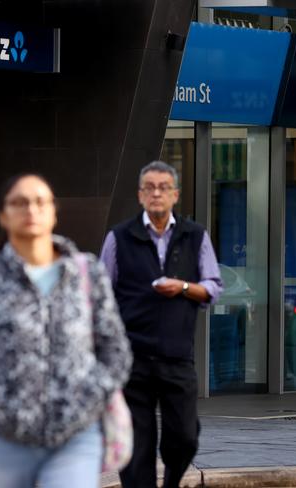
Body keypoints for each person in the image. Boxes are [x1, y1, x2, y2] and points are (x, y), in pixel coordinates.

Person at [0, 173, 132, 488]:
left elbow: (116, 350)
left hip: (75, 436)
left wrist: (89, 394)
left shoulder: (87, 274)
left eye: (41, 201)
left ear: (54, 212)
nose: (31, 209)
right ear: (3, 215)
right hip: (4, 440)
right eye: (19, 202)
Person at [100, 161, 223, 488]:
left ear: (175, 194)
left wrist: (182, 287)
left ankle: (170, 482)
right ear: (141, 195)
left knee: (184, 437)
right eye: (150, 187)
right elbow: (100, 295)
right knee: (135, 449)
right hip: (132, 360)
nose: (157, 193)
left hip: (177, 357)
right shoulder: (119, 237)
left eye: (164, 187)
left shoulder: (195, 236)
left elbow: (212, 287)